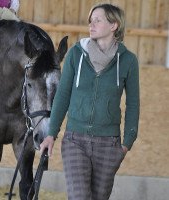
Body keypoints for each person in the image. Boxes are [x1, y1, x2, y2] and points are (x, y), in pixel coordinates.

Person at [40, 3, 139, 200]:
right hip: (75, 140)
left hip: (109, 144)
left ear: (114, 26)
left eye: (97, 20)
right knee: (79, 197)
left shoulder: (128, 61)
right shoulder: (76, 54)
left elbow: (133, 104)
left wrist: (127, 143)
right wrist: (51, 133)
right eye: (90, 21)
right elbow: (63, 95)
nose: (91, 25)